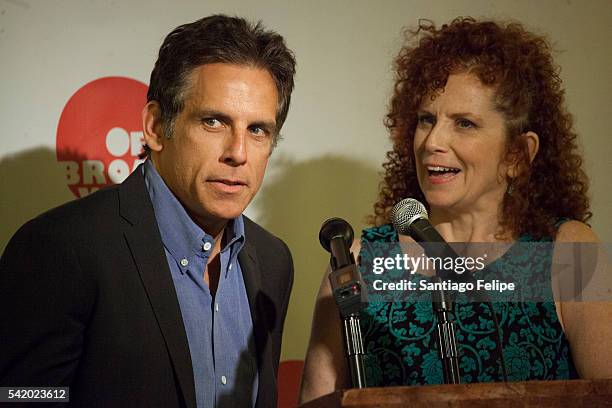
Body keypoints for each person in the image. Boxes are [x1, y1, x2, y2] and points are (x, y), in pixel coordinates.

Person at [300, 17, 612, 402]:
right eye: (426, 120)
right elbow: (318, 402)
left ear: (517, 154)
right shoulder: (357, 259)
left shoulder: (567, 252)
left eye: (464, 123)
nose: (433, 141)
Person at [0, 15, 295, 408]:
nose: (238, 153)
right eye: (213, 121)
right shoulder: (62, 249)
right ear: (155, 127)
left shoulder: (273, 261)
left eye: (257, 130)